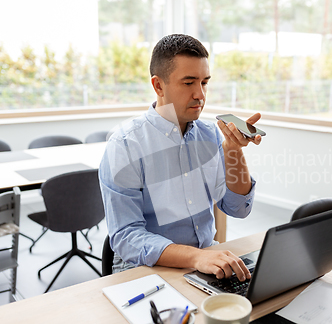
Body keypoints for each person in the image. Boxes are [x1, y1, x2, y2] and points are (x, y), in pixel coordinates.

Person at [99, 34, 262, 282]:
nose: (200, 94)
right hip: (146, 269)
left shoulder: (211, 136)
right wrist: (195, 257)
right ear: (158, 86)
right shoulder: (125, 145)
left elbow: (237, 208)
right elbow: (125, 236)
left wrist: (233, 149)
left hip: (205, 261)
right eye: (188, 83)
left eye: (204, 82)